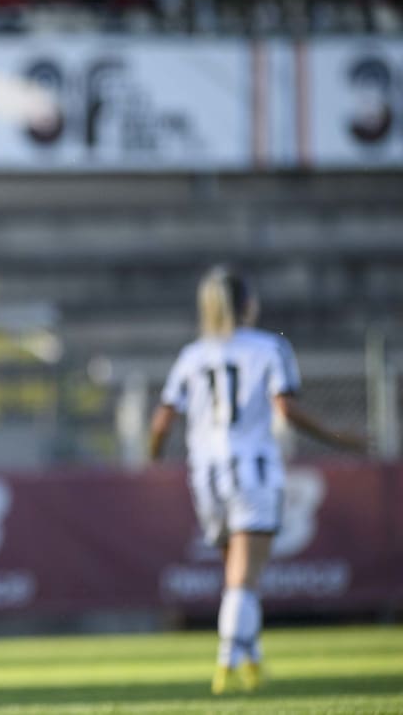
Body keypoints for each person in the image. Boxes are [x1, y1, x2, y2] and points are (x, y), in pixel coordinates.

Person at [148, 265, 365, 695]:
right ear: (247, 303)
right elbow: (286, 408)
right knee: (244, 578)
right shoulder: (268, 347)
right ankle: (228, 658)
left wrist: (150, 460)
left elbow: (161, 420)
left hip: (205, 475)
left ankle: (252, 658)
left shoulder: (193, 355)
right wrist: (340, 438)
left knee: (236, 574)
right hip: (254, 469)